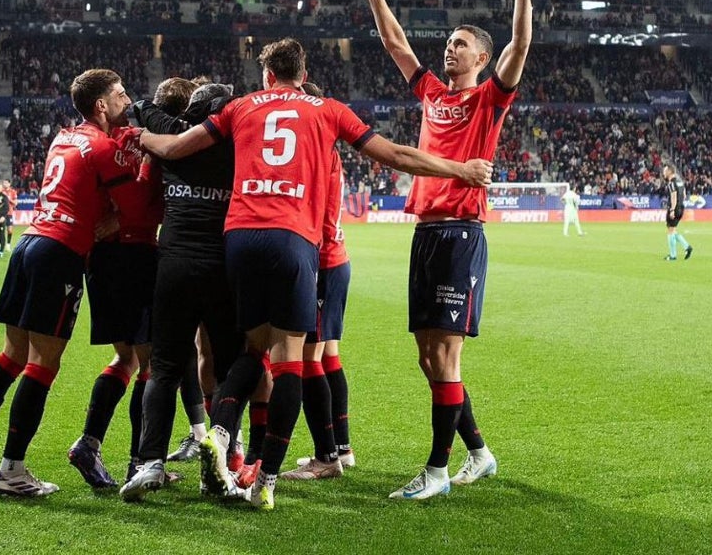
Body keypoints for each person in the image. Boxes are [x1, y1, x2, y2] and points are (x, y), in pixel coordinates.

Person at [139, 38, 492, 510]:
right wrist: (460, 170)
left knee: (252, 349)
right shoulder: (328, 110)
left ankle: (220, 435)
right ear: (303, 75)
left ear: (267, 75)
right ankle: (266, 480)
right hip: (294, 240)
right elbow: (396, 156)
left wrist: (137, 131)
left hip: (240, 238)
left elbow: (176, 146)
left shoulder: (241, 106)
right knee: (290, 360)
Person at [357, 0, 532, 502]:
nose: (450, 48)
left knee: (446, 356)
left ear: (481, 55)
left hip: (460, 231)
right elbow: (395, 45)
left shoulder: (489, 98)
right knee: (427, 356)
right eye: (450, 43)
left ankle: (436, 471)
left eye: (461, 44)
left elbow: (520, 46)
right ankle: (479, 453)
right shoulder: (433, 93)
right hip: (427, 231)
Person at [0, 69, 134, 498]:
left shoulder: (63, 138)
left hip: (28, 245)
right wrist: (117, 218)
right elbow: (134, 201)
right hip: (60, 253)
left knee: (12, 354)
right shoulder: (104, 146)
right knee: (43, 363)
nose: (127, 100)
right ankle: (12, 470)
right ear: (101, 105)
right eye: (121, 95)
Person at [119, 78, 240, 501]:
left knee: (165, 367)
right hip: (222, 268)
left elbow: (152, 113)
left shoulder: (171, 137)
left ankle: (150, 462)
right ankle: (224, 460)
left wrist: (137, 105)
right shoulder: (235, 144)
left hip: (172, 266)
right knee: (228, 368)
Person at [68, 122, 164, 490]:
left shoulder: (101, 144)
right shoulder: (146, 145)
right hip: (134, 256)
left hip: (102, 260)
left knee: (126, 358)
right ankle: (139, 463)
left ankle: (89, 444)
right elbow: (140, 198)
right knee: (150, 364)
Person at [280, 82, 354, 482]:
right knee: (328, 357)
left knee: (309, 360)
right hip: (335, 260)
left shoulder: (315, 155)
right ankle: (341, 445)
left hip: (321, 262)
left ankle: (327, 457)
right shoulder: (329, 152)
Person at [662, 164, 693, 260]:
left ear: (669, 172)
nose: (663, 172)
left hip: (674, 208)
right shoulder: (680, 182)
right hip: (681, 208)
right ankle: (687, 247)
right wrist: (679, 206)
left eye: (665, 170)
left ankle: (673, 255)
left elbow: (673, 196)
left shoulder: (671, 183)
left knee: (670, 231)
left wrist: (672, 209)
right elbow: (683, 195)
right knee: (673, 230)